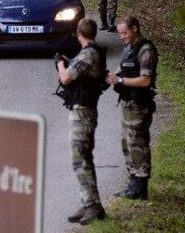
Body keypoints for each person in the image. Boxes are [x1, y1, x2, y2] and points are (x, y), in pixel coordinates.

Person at [55, 18, 107, 225]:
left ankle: (93, 206)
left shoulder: (88, 53)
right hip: (83, 110)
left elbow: (66, 78)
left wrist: (60, 63)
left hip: (83, 112)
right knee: (83, 158)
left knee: (80, 159)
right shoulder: (93, 53)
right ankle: (89, 202)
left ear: (79, 33)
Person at [107, 16, 159, 200]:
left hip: (140, 105)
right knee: (127, 144)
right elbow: (124, 69)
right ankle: (133, 181)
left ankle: (141, 185)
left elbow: (146, 80)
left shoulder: (146, 50)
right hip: (127, 103)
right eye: (120, 33)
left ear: (135, 29)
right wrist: (113, 75)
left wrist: (120, 80)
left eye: (124, 33)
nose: (121, 37)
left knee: (138, 144)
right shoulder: (129, 48)